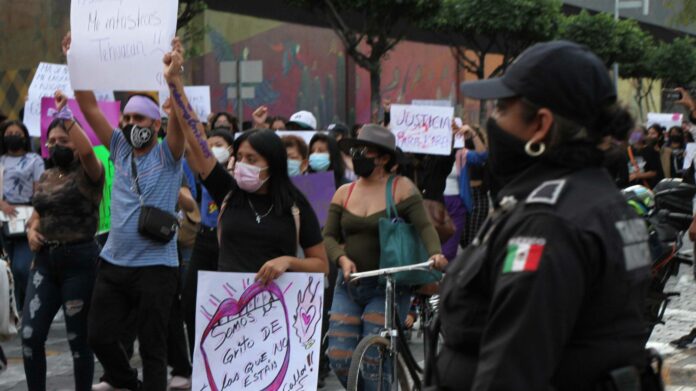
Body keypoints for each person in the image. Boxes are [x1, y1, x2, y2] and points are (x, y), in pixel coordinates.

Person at [427, 41, 658, 390]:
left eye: (503, 108)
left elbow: (511, 375)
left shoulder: (548, 224)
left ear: (540, 124)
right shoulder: (599, 200)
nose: (492, 120)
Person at [65, 33, 185, 391]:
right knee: (99, 335)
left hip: (157, 268)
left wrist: (174, 77)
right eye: (127, 117)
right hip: (115, 263)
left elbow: (179, 121)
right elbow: (86, 106)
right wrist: (75, 58)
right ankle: (126, 382)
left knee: (153, 348)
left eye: (141, 119)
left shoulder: (169, 155)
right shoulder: (118, 147)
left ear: (156, 126)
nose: (133, 124)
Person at [164, 45, 328, 287]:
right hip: (229, 305)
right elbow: (196, 136)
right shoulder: (228, 192)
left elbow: (321, 265)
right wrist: (174, 80)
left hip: (276, 309)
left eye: (252, 159)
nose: (243, 164)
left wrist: (287, 262)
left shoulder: (294, 203)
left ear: (272, 164)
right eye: (240, 157)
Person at [323, 124, 447, 390]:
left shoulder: (401, 188)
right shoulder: (344, 193)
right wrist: (342, 260)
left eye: (363, 151)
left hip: (389, 287)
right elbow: (329, 237)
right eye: (354, 149)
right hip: (349, 285)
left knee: (373, 360)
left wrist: (435, 253)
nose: (357, 155)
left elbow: (425, 226)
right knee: (340, 358)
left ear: (383, 158)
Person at [22, 91, 104, 391]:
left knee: (78, 341)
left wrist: (67, 116)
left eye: (64, 141)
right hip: (44, 261)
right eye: (52, 141)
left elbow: (85, 151)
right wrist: (32, 231)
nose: (57, 146)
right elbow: (37, 214)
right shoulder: (46, 176)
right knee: (30, 336)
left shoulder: (91, 172)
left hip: (79, 262)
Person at [181, 128, 234, 358]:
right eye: (209, 144)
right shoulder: (205, 172)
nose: (213, 149)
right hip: (204, 239)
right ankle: (199, 359)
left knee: (227, 306)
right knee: (191, 301)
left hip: (230, 244)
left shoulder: (238, 175)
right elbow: (190, 151)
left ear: (231, 149)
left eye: (219, 144)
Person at [0, 120, 45, 310]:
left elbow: (40, 189)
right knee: (7, 268)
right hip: (3, 219)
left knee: (22, 267)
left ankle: (32, 305)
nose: (12, 136)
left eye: (16, 133)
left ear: (25, 137)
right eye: (8, 133)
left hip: (26, 217)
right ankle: (16, 310)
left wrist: (36, 213)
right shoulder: (1, 160)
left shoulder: (35, 160)